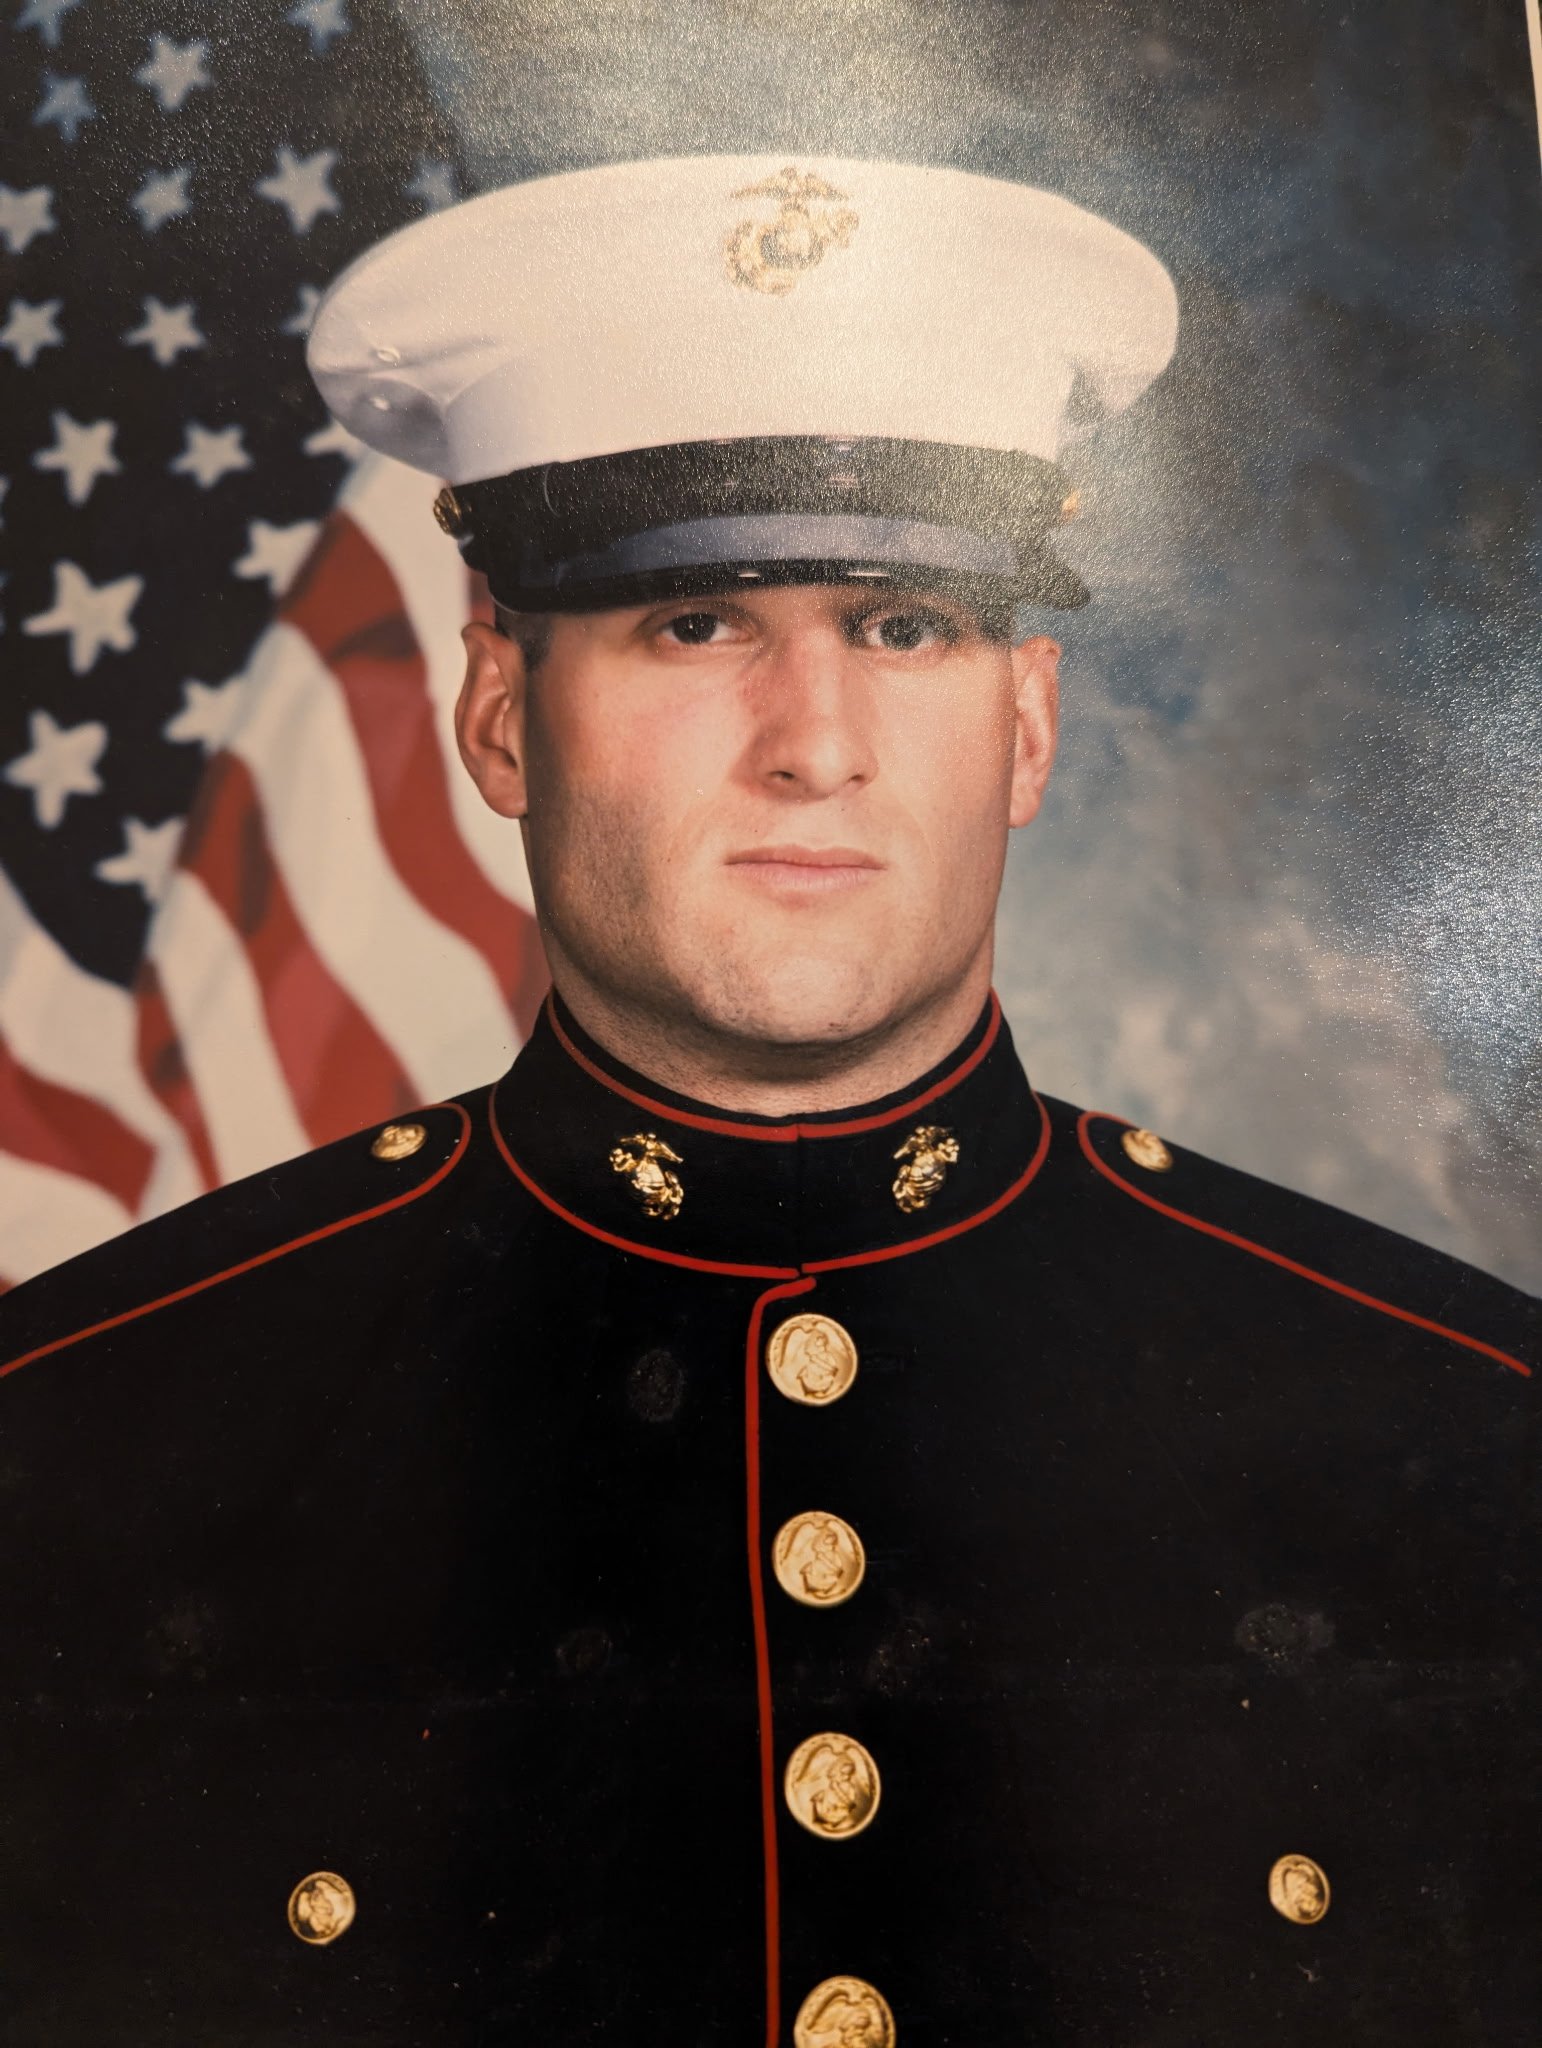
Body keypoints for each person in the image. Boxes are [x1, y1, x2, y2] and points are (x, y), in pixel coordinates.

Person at [0, 155, 1534, 2047]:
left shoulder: (1471, 1445)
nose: (814, 746)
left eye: (903, 631)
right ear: (497, 712)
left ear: (1028, 723)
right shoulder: (67, 1455)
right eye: (697, 624)